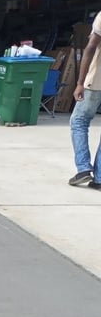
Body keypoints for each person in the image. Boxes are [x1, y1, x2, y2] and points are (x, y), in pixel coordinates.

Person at [70, 11, 101, 188]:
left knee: (79, 121)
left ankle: (83, 169)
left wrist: (80, 83)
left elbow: (90, 48)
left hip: (96, 81)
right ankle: (99, 179)